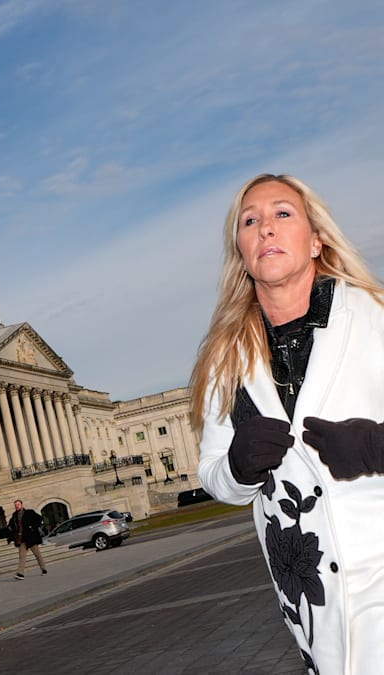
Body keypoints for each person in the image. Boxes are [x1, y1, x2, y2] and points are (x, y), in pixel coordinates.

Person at [192, 174, 384, 674]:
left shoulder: (375, 317)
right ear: (241, 252)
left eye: (282, 213)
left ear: (316, 239)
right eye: (249, 221)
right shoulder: (225, 358)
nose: (265, 228)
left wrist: (375, 446)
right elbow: (213, 474)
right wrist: (238, 467)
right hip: (309, 599)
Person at [5, 499, 46, 580]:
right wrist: (10, 532)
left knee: (37, 554)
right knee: (22, 556)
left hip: (31, 538)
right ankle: (20, 573)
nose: (17, 506)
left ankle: (43, 568)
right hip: (22, 539)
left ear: (22, 505)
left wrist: (33, 527)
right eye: (15, 505)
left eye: (18, 504)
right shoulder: (14, 516)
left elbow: (39, 519)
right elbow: (11, 526)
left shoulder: (29, 512)